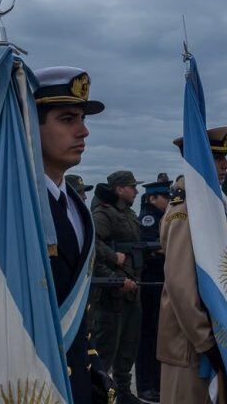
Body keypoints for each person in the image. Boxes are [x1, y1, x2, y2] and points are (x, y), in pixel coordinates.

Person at [30, 66, 113, 402]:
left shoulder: (77, 208)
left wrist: (91, 363)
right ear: (30, 126)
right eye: (67, 119)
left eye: (82, 118)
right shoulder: (3, 211)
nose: (84, 131)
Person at [157, 126, 227, 404]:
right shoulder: (185, 211)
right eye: (218, 158)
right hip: (190, 346)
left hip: (213, 335)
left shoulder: (209, 206)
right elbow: (180, 285)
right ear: (197, 162)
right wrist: (207, 342)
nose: (226, 165)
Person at [91, 170, 144, 404]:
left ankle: (123, 393)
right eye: (131, 187)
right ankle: (98, 394)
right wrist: (114, 264)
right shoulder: (103, 214)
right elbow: (92, 244)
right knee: (106, 350)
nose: (136, 190)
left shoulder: (129, 214)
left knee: (128, 347)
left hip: (132, 291)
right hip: (111, 293)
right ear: (119, 189)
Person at [135, 180, 171, 403]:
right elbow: (154, 246)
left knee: (159, 335)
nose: (167, 201)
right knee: (148, 337)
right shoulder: (148, 219)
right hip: (150, 284)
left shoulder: (161, 218)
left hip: (160, 282)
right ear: (151, 198)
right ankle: (146, 385)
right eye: (163, 197)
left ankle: (157, 384)